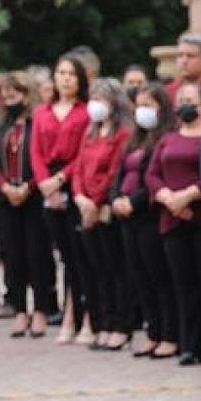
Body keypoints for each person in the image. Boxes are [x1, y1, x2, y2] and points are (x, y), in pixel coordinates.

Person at [147, 81, 201, 365]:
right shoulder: (168, 139)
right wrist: (167, 198)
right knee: (182, 284)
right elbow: (152, 174)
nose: (185, 105)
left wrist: (189, 196)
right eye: (181, 101)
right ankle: (189, 344)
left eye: (191, 100)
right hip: (172, 218)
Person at [0, 70, 56, 338]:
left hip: (33, 195)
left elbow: (43, 158)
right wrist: (5, 187)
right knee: (12, 255)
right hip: (5, 198)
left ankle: (41, 309)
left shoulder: (37, 122)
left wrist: (29, 186)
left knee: (37, 253)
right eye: (5, 94)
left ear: (28, 95)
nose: (9, 98)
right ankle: (19, 310)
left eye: (15, 93)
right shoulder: (0, 124)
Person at [112, 82, 176, 359]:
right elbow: (119, 174)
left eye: (148, 105)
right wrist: (116, 198)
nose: (142, 111)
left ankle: (169, 333)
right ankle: (153, 331)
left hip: (149, 213)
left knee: (158, 275)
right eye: (138, 106)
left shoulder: (165, 139)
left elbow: (154, 177)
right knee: (140, 275)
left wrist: (134, 202)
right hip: (127, 216)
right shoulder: (133, 140)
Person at [67, 78, 132, 350]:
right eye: (93, 99)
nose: (95, 105)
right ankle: (103, 322)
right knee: (97, 270)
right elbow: (79, 168)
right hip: (86, 207)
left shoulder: (123, 134)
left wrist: (94, 202)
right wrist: (80, 198)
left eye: (101, 99)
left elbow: (114, 171)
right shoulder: (90, 132)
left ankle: (121, 324)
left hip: (105, 208)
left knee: (115, 268)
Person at [30, 54, 91, 343]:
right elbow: (35, 151)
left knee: (80, 253)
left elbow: (84, 151)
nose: (66, 79)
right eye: (61, 73)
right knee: (64, 254)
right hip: (47, 183)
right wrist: (45, 183)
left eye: (71, 74)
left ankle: (81, 315)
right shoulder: (42, 112)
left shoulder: (86, 112)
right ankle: (69, 312)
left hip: (74, 178)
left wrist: (60, 180)